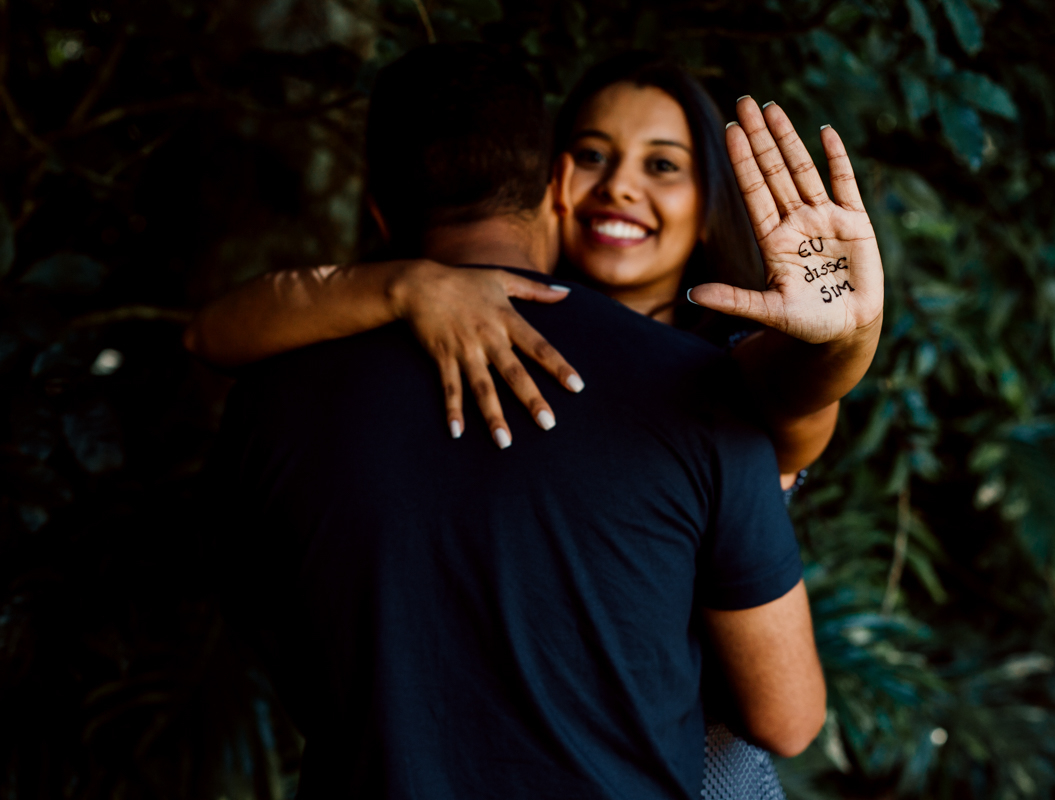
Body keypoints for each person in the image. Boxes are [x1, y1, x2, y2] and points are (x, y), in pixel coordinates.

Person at [210, 43, 825, 799]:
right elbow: (789, 719)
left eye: (663, 165)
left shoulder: (271, 398)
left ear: (376, 210)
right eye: (598, 157)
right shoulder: (698, 395)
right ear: (559, 185)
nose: (621, 189)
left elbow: (273, 632)